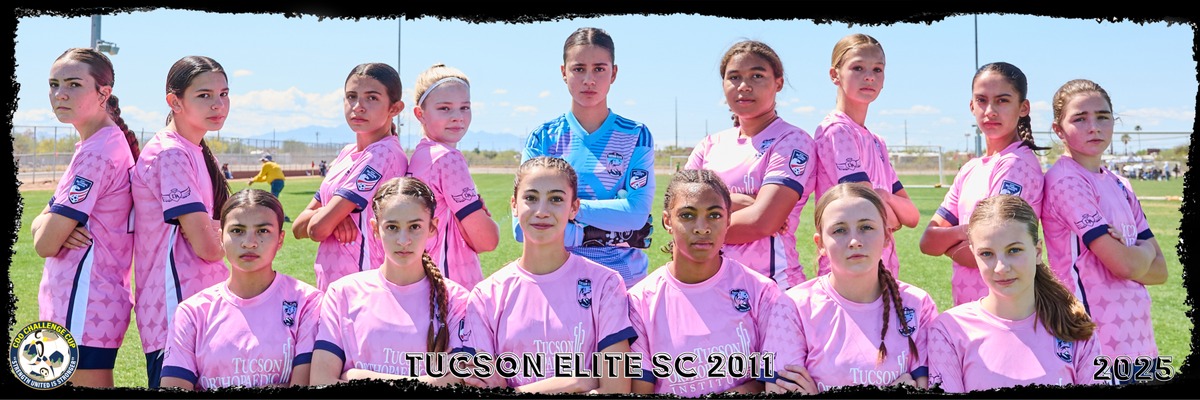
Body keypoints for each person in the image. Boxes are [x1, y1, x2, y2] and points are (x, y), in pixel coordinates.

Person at [455, 157, 635, 394]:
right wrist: (576, 382)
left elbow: (615, 389)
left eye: (556, 199)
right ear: (514, 205)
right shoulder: (486, 296)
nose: (542, 211)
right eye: (531, 198)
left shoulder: (605, 285)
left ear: (574, 208)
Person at [1042, 79, 1167, 383]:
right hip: (1096, 343)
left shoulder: (1120, 184)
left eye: (1102, 117)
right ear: (1059, 129)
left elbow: (1160, 271)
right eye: (1080, 119)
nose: (1094, 127)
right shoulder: (1067, 181)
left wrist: (1135, 254)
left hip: (1139, 344)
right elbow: (1125, 265)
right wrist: (1142, 250)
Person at [30, 47, 140, 387]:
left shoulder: (99, 152)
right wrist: (47, 222)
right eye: (54, 84)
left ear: (103, 94)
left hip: (85, 301)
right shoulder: (96, 145)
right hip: (80, 300)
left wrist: (49, 225)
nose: (60, 94)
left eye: (74, 84)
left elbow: (45, 243)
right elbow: (41, 227)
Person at [762, 183, 937, 394]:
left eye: (866, 227)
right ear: (820, 244)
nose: (854, 241)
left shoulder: (918, 304)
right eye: (839, 230)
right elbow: (778, 390)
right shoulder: (792, 307)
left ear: (886, 236)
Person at [520, 27, 655, 288]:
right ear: (564, 72)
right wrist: (612, 227)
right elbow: (522, 226)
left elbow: (636, 215)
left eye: (599, 69)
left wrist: (561, 211)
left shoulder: (636, 135)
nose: (589, 80)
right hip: (556, 279)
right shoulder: (543, 138)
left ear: (613, 73)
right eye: (579, 69)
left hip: (624, 281)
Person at [927, 195, 1102, 392]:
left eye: (1014, 250)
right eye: (986, 254)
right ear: (974, 255)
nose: (1001, 268)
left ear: (1037, 252)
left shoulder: (1075, 325)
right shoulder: (949, 331)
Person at [628, 169, 779, 396]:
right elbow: (641, 391)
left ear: (728, 220)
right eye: (687, 215)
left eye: (714, 215)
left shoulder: (760, 291)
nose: (702, 227)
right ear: (667, 221)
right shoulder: (639, 302)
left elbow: (775, 379)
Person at [131, 55, 233, 387]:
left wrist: (221, 230)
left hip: (203, 306)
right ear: (175, 102)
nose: (218, 104)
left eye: (223, 94)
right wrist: (236, 234)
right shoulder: (171, 153)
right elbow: (208, 247)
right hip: (175, 309)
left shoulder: (194, 149)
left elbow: (212, 234)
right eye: (204, 95)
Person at [309, 177, 468, 386]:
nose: (403, 240)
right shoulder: (342, 293)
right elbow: (320, 382)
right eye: (392, 227)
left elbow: (460, 382)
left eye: (415, 226)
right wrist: (429, 382)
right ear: (375, 228)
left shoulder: (456, 299)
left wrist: (359, 378)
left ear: (432, 227)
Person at [685, 40, 816, 290]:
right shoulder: (710, 145)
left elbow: (762, 221)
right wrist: (734, 201)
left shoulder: (792, 140)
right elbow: (678, 214)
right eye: (734, 77)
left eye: (757, 76)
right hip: (710, 287)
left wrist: (702, 222)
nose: (744, 86)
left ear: (778, 83)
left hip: (772, 288)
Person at [159, 189, 321, 390]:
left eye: (263, 231)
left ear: (280, 239)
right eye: (237, 231)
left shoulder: (307, 302)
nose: (249, 243)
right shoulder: (192, 312)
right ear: (221, 237)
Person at [919, 62, 1047, 306]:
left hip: (1005, 311)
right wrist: (964, 233)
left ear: (1023, 107)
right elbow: (927, 242)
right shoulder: (970, 169)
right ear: (971, 106)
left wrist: (952, 243)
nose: (990, 110)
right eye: (981, 100)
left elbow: (993, 253)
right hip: (970, 310)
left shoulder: (1016, 164)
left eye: (1002, 100)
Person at [292, 63, 409, 291]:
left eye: (372, 98)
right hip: (333, 287)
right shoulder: (347, 153)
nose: (358, 106)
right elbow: (298, 227)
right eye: (351, 97)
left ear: (395, 108)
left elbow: (317, 230)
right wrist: (333, 214)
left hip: (363, 286)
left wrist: (328, 217)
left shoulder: (383, 154)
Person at [812, 33, 919, 278]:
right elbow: (868, 212)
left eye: (877, 69)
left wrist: (885, 197)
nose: (869, 76)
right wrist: (888, 213)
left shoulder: (877, 142)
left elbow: (912, 216)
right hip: (846, 268)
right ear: (835, 75)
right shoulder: (837, 131)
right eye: (858, 68)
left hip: (882, 268)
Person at [405, 64, 500, 290]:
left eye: (464, 107)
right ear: (420, 114)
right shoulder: (447, 158)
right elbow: (487, 240)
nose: (457, 117)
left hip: (420, 280)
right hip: (451, 285)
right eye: (445, 108)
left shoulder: (420, 156)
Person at [249, 154, 289, 222]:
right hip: (280, 183)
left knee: (273, 201)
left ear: (265, 160)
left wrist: (252, 180)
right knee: (274, 200)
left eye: (263, 160)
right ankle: (283, 216)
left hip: (276, 183)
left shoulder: (267, 165)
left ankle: (282, 216)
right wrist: (254, 180)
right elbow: (264, 178)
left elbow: (260, 175)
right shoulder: (273, 165)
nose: (262, 162)